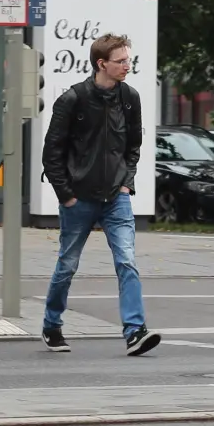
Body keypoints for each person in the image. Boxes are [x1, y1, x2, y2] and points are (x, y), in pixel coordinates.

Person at [40, 33, 161, 356]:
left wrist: (126, 182)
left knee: (127, 262)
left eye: (128, 60)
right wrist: (66, 195)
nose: (127, 66)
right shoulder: (73, 100)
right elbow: (51, 153)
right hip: (79, 197)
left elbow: (134, 145)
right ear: (101, 63)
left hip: (115, 197)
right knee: (67, 264)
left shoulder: (130, 98)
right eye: (121, 61)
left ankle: (135, 331)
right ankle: (52, 324)